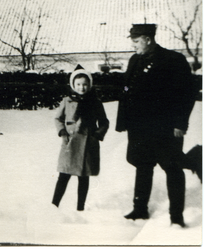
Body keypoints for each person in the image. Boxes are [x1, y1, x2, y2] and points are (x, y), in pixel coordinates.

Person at [116, 23, 195, 227]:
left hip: (165, 127)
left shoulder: (173, 60)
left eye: (136, 41)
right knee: (143, 166)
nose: (133, 45)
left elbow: (187, 95)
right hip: (140, 127)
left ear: (148, 39)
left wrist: (180, 123)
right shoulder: (135, 60)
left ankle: (176, 217)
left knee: (172, 167)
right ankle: (140, 209)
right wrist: (124, 120)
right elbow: (127, 91)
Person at [52, 65, 109, 211]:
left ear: (89, 85)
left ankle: (80, 208)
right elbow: (58, 118)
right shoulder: (67, 101)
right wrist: (63, 133)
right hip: (69, 142)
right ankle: (53, 206)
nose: (82, 88)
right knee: (63, 176)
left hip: (88, 143)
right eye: (78, 84)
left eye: (85, 84)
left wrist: (96, 135)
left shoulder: (95, 102)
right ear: (73, 85)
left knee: (83, 177)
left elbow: (104, 122)